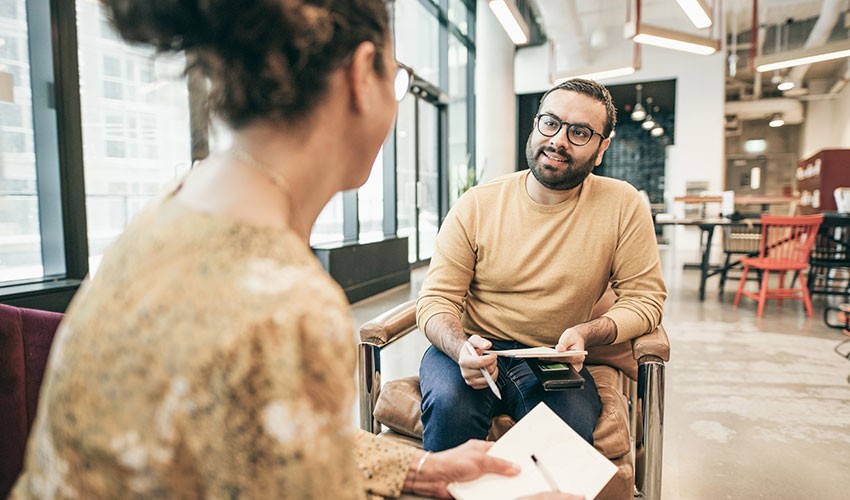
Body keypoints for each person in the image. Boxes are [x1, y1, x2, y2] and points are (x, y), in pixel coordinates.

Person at [9, 1, 586, 499]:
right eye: (399, 76)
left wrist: (418, 466)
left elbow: (249, 435)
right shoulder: (286, 303)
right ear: (363, 75)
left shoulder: (177, 206)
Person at [416, 78, 667, 452]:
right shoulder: (477, 203)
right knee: (451, 408)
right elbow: (436, 299)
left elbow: (645, 300)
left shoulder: (622, 205)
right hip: (473, 346)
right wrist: (460, 347)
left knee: (563, 435)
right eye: (550, 123)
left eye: (580, 132)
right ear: (536, 125)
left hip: (553, 355)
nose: (559, 140)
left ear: (602, 149)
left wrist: (588, 332)